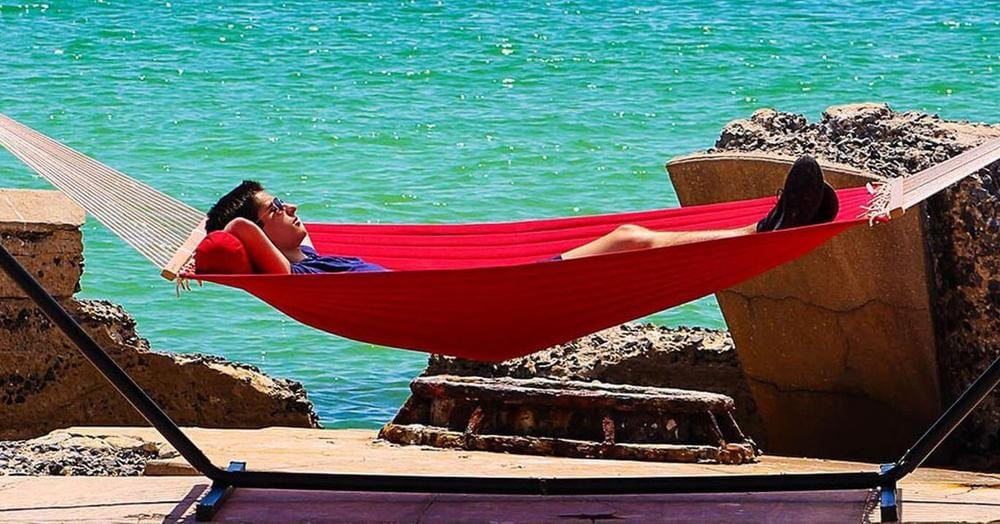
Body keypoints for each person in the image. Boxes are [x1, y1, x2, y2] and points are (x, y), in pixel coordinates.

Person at [204, 155, 837, 274]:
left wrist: (212, 244)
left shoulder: (309, 257)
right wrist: (213, 243)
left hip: (482, 288)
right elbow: (231, 237)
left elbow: (237, 237)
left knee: (629, 237)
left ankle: (774, 224)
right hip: (477, 299)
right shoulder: (295, 274)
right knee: (630, 239)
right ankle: (767, 229)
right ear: (258, 233)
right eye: (274, 207)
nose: (290, 206)